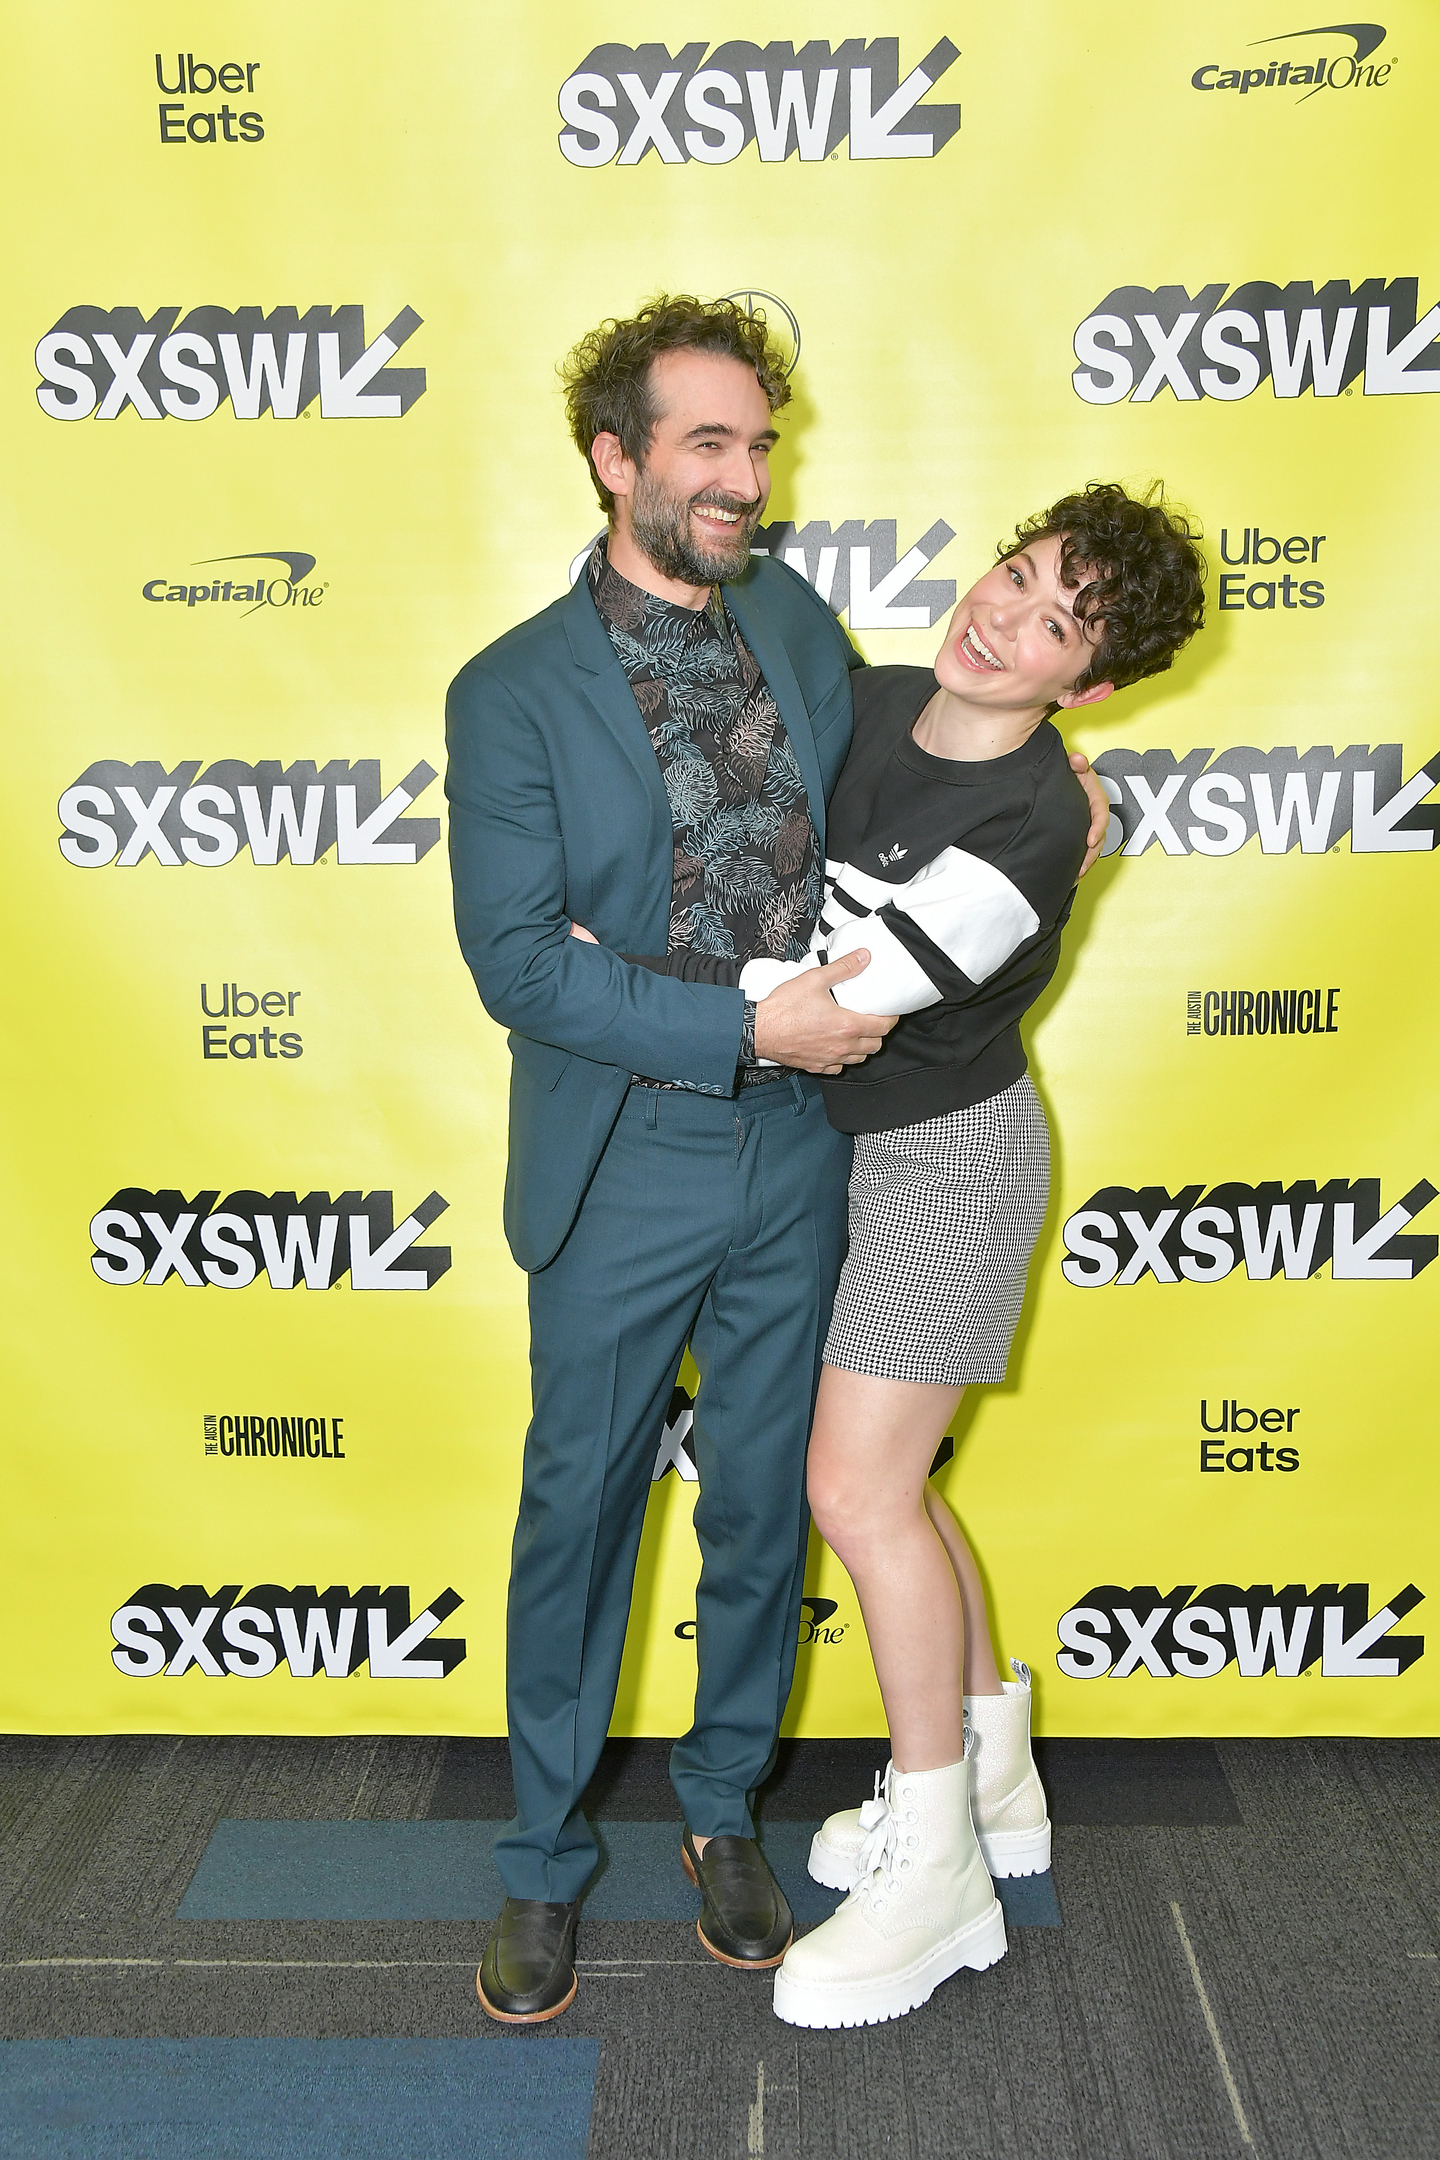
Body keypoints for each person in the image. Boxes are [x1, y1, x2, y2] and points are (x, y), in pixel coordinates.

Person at [445, 294, 1112, 2025]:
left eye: (762, 443)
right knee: (577, 1510)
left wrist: (1064, 778)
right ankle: (538, 1861)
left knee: (768, 1504)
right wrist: (744, 1032)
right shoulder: (511, 690)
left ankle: (725, 1811)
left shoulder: (796, 620)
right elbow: (520, 965)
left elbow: (945, 747)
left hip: (814, 1157)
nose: (749, 477)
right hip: (624, 1155)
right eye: (710, 447)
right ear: (617, 461)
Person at [611, 482, 1207, 2028]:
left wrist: (633, 973)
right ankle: (998, 1779)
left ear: (1088, 684)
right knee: (900, 1487)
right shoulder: (868, 700)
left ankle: (936, 1866)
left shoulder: (1037, 823)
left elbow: (842, 998)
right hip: (836, 1148)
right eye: (1015, 576)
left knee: (855, 1494)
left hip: (948, 1161)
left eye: (1055, 622)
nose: (1003, 618)